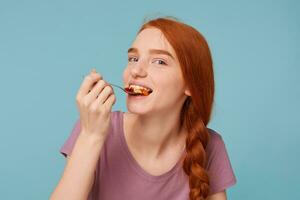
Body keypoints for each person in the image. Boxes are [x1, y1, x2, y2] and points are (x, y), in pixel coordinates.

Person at [50, 17, 237, 200]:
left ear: (190, 84)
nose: (135, 70)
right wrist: (91, 136)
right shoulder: (94, 127)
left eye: (159, 61)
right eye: (133, 58)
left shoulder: (209, 145)